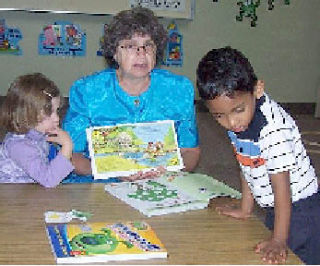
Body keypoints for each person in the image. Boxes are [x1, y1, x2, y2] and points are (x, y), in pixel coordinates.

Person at [196, 46, 320, 264]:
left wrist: (280, 239)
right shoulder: (239, 123)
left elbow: (282, 187)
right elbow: (247, 162)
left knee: (297, 258)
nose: (231, 123)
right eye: (219, 116)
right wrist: (246, 208)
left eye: (238, 110)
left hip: (300, 209)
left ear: (257, 89)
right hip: (275, 207)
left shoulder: (272, 130)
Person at [63, 7, 200, 179]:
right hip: (98, 181)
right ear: (114, 52)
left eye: (148, 45)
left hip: (160, 181)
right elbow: (70, 155)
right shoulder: (87, 92)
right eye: (130, 46)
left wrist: (170, 171)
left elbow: (190, 151)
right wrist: (110, 171)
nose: (141, 53)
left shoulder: (179, 90)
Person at [0, 73, 74, 187]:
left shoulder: (38, 135)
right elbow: (48, 180)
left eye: (57, 111)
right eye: (49, 113)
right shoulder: (19, 145)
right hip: (12, 199)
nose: (57, 118)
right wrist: (67, 146)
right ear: (26, 114)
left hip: (29, 193)